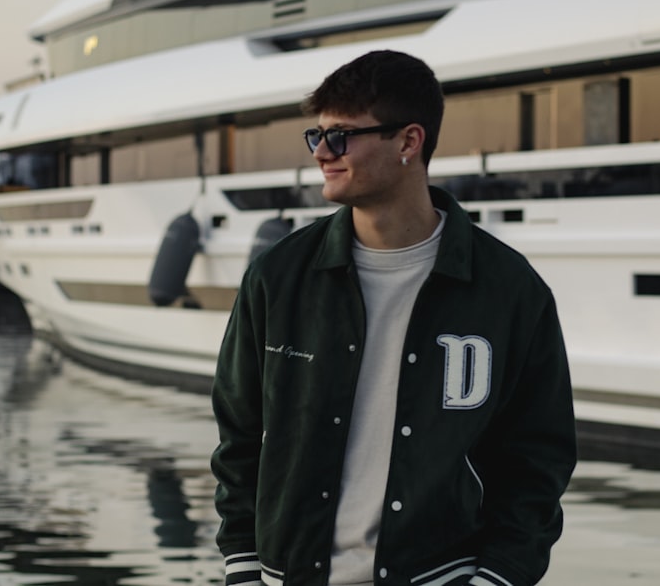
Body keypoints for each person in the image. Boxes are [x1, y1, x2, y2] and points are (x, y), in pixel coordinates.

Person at [211, 50, 576, 586]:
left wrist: (499, 577)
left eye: (341, 137)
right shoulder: (278, 278)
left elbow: (536, 464)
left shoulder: (511, 291)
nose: (322, 153)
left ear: (409, 141)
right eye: (317, 136)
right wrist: (242, 568)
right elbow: (238, 439)